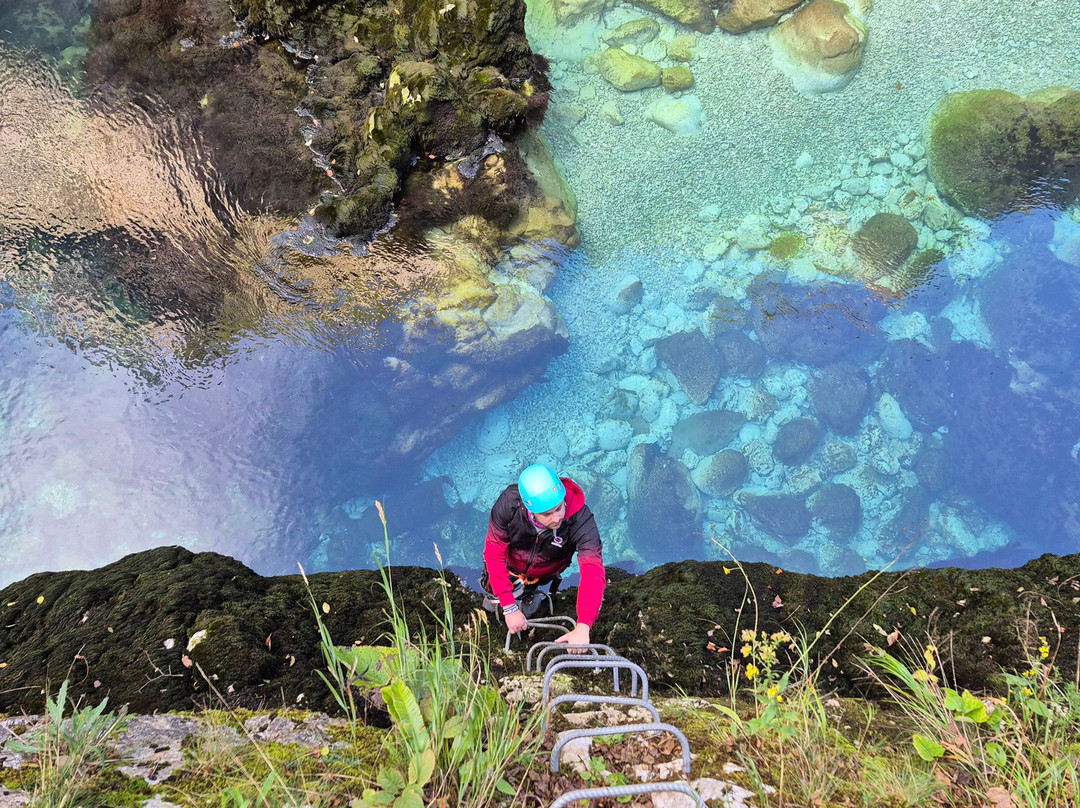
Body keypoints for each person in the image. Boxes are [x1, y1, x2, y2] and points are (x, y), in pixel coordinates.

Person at [482, 463, 606, 652]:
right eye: (547, 514)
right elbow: (493, 553)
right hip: (511, 563)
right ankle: (502, 598)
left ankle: (529, 594)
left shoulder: (581, 520)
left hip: (547, 568)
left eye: (558, 508)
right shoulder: (509, 504)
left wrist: (583, 625)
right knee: (492, 602)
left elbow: (593, 572)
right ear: (529, 509)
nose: (556, 518)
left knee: (531, 597)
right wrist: (508, 606)